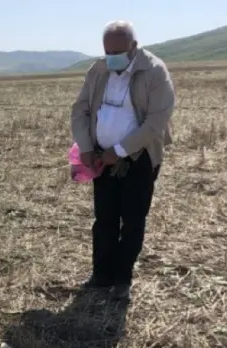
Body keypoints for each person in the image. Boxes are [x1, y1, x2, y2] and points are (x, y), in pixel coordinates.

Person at [70, 20, 175, 300]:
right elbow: (80, 109)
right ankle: (101, 275)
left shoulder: (154, 71)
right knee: (104, 218)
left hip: (138, 158)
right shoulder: (98, 69)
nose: (112, 56)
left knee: (132, 220)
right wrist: (86, 146)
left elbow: (156, 122)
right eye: (107, 51)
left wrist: (119, 151)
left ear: (134, 47)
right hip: (101, 158)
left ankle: (122, 279)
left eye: (118, 51)